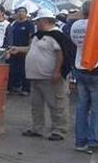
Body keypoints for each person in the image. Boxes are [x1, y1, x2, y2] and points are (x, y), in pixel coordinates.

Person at [8, 9, 74, 141]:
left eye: (38, 21)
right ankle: (37, 128)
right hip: (35, 76)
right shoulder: (38, 36)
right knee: (36, 104)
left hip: (49, 76)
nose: (36, 23)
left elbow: (61, 54)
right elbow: (32, 49)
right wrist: (19, 49)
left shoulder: (56, 36)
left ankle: (59, 130)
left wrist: (57, 71)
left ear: (45, 21)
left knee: (56, 104)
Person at [69, 1, 98, 153]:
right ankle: (93, 142)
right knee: (97, 109)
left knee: (82, 107)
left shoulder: (75, 25)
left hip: (81, 67)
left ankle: (80, 142)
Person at [7, 7, 36, 95]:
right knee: (12, 69)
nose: (20, 13)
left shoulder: (29, 24)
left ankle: (25, 89)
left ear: (26, 13)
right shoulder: (14, 23)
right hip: (13, 49)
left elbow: (31, 37)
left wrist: (29, 48)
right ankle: (13, 87)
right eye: (19, 12)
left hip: (24, 50)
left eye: (22, 11)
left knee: (24, 70)